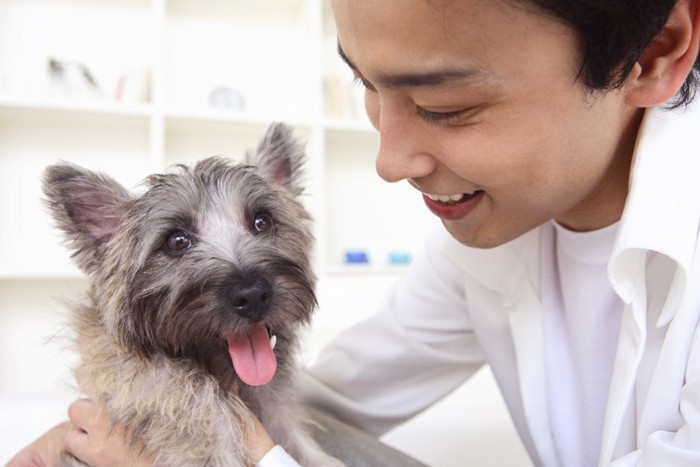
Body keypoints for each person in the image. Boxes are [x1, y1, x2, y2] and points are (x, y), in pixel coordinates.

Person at [9, 0, 700, 465]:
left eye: (443, 105)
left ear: (652, 55)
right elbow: (328, 400)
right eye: (367, 85)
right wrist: (111, 427)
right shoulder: (487, 244)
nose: (387, 160)